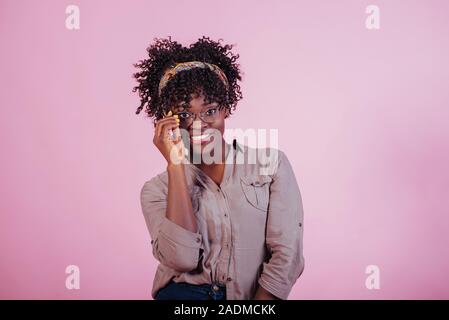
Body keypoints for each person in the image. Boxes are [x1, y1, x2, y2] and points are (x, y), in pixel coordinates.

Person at [133, 36, 305, 300]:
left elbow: (287, 254)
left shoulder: (271, 165)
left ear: (226, 109)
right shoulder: (155, 190)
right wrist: (176, 165)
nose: (198, 124)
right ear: (166, 119)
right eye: (184, 114)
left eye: (210, 110)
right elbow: (181, 259)